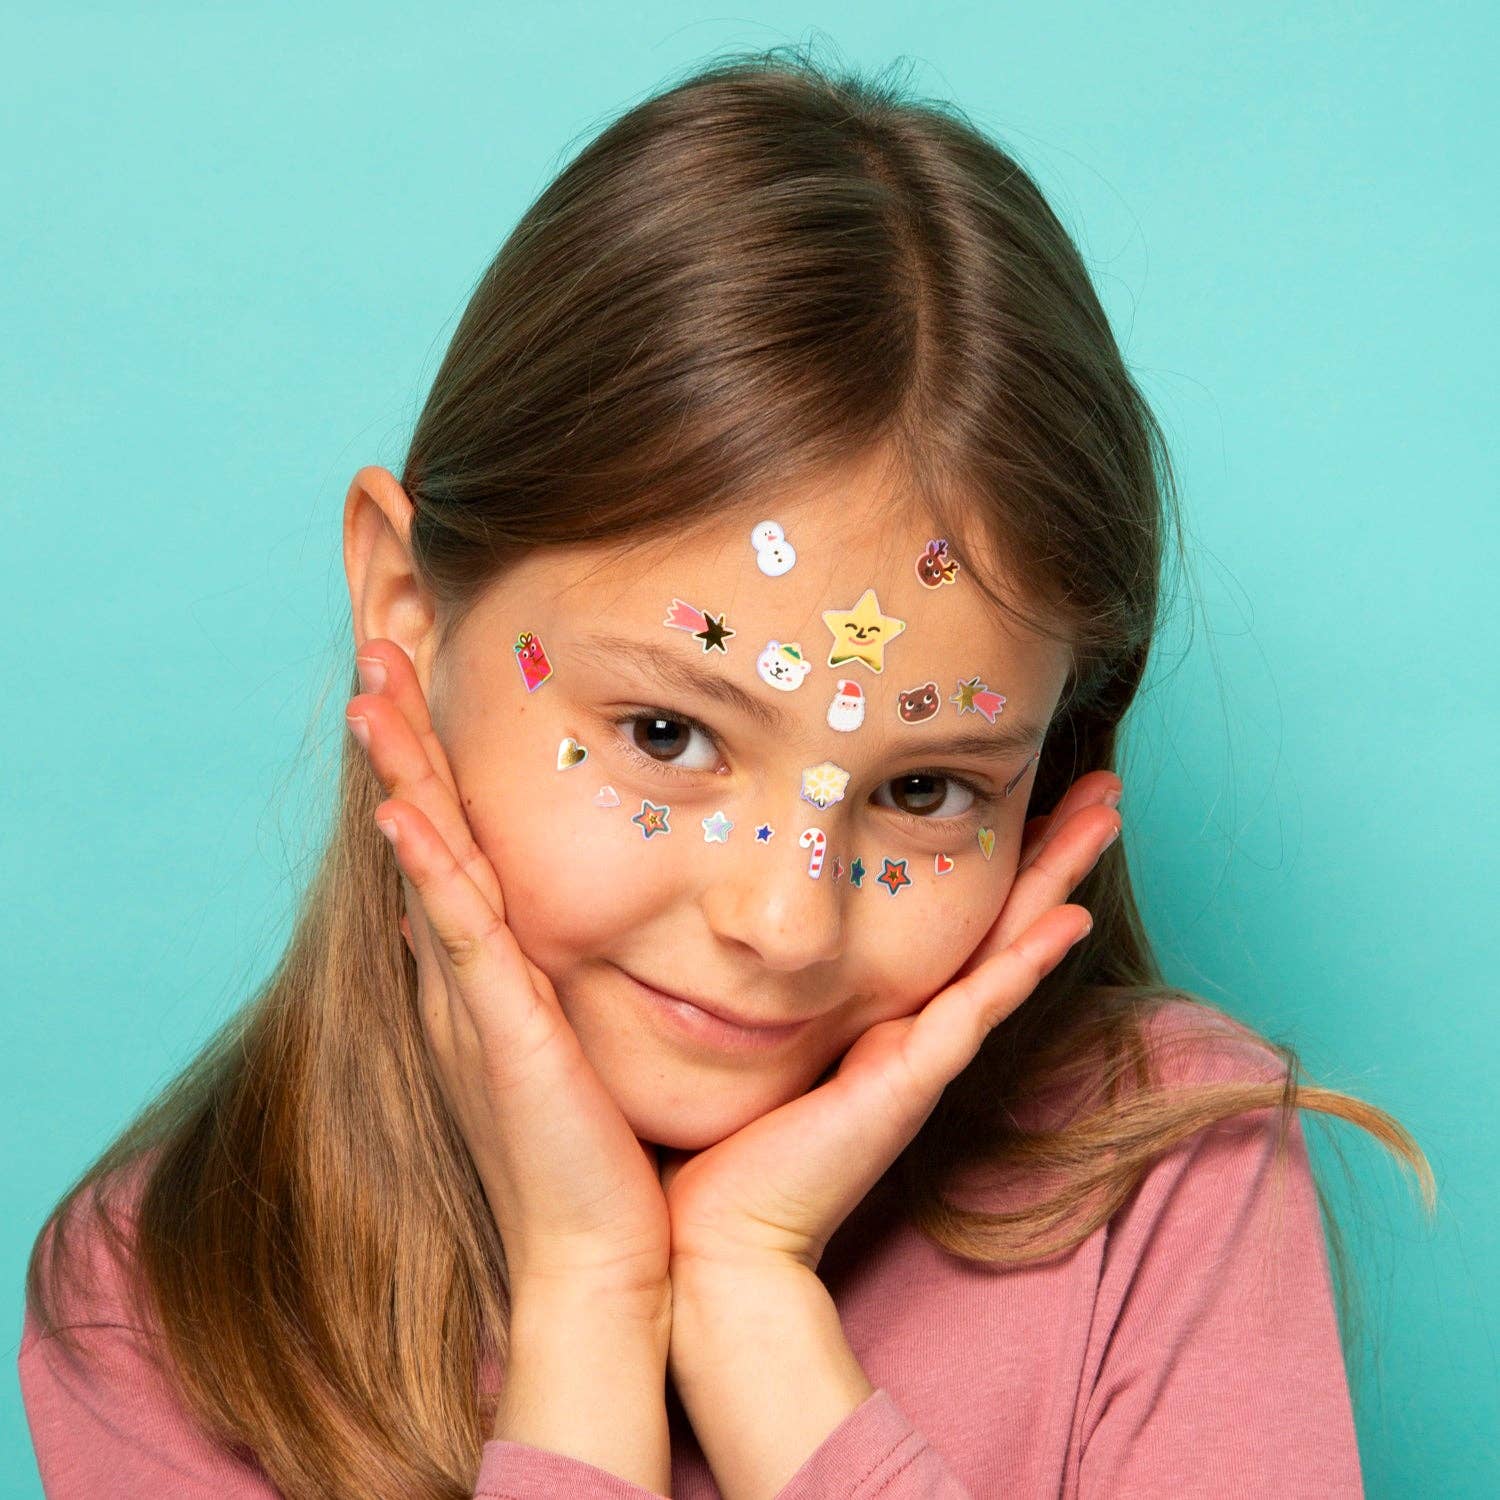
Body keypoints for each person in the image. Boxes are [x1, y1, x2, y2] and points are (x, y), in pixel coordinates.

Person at [19, 45, 1433, 1500]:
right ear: (404, 613)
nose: (785, 921)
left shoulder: (1166, 1190)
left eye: (928, 789)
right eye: (667, 736)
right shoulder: (169, 1313)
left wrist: (758, 1320)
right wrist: (587, 1305)